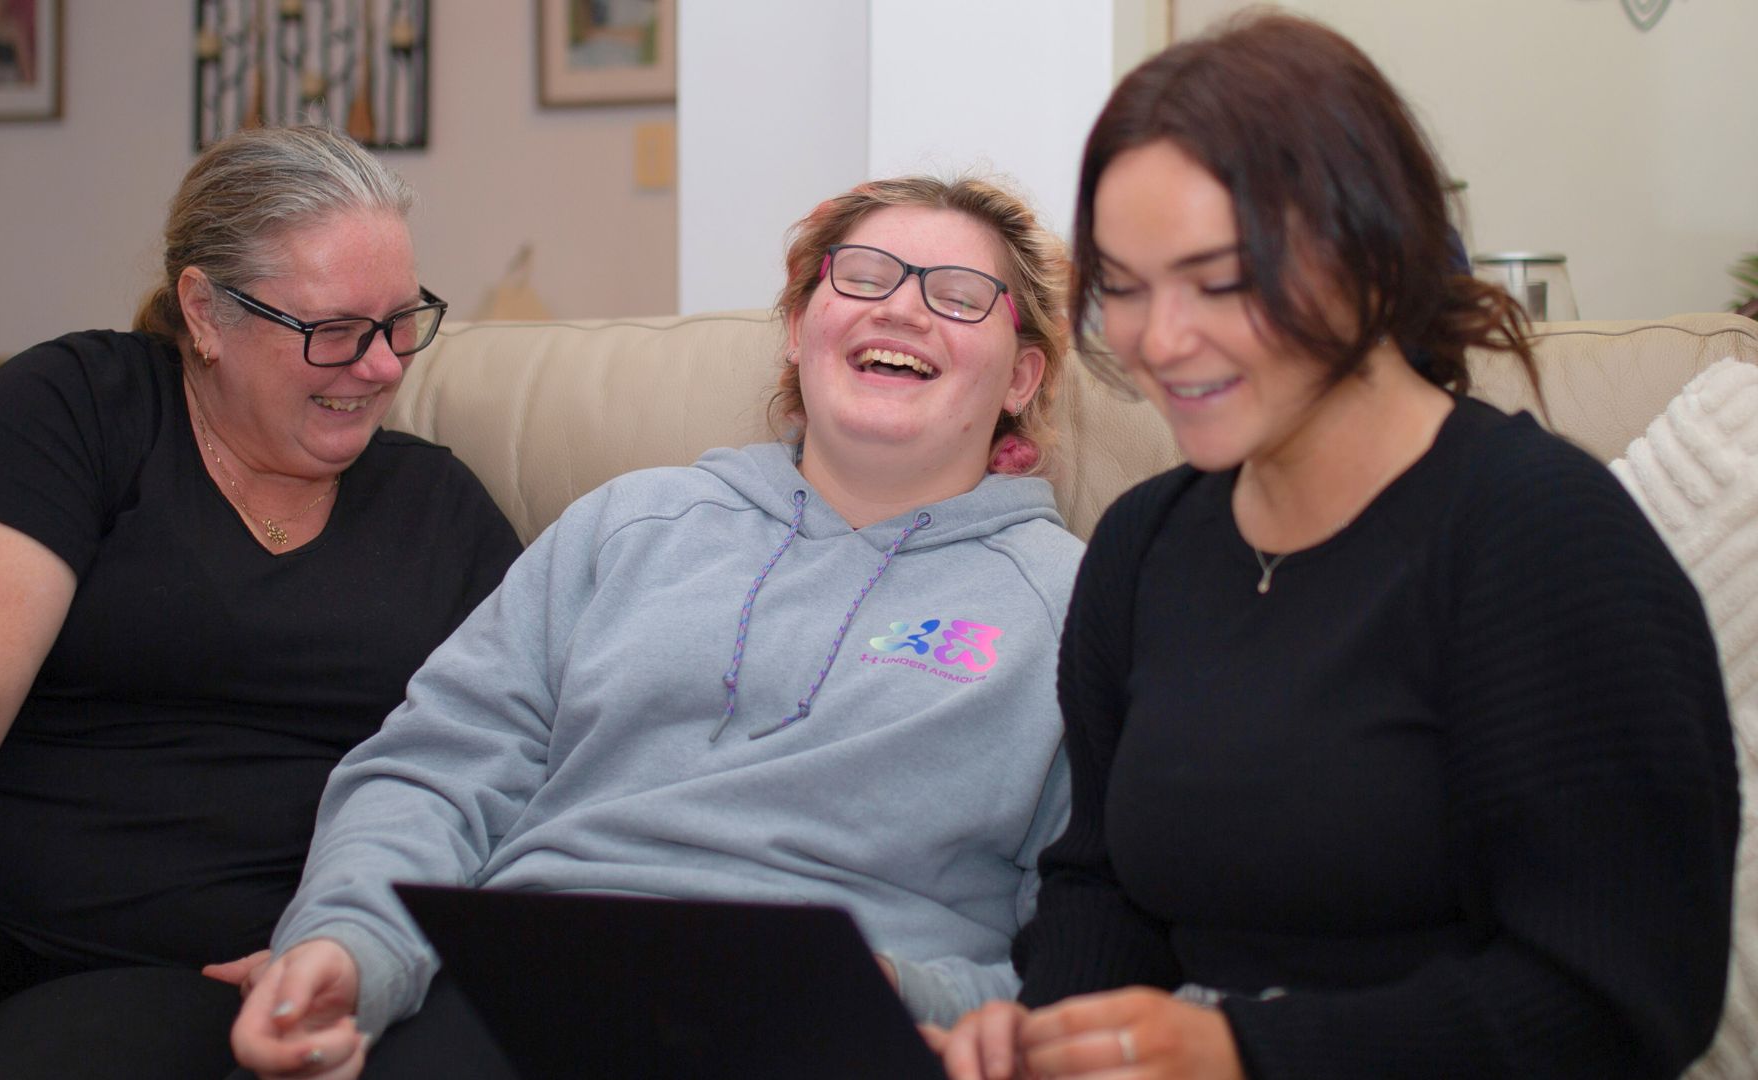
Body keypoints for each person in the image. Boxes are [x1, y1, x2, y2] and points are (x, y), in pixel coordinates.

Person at [933, 14, 1737, 1080]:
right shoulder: (1141, 546)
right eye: (1122, 285)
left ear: (1370, 258)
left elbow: (1622, 1000)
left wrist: (1245, 1054)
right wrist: (1050, 1036)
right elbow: (1103, 887)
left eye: (1222, 279)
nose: (1159, 339)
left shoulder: (1545, 540)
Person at [223, 175, 1083, 1079]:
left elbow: (1089, 931)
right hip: (529, 978)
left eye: (958, 296)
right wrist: (351, 946)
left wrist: (920, 996)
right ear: (798, 328)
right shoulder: (632, 523)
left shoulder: (1074, 606)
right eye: (863, 277)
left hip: (833, 1022)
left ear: (1021, 376)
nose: (901, 309)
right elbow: (438, 767)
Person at [0, 125, 521, 1079]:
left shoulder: (440, 512)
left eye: (402, 322)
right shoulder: (79, 407)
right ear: (205, 312)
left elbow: (510, 769)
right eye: (333, 331)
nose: (383, 366)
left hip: (206, 977)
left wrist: (351, 949)